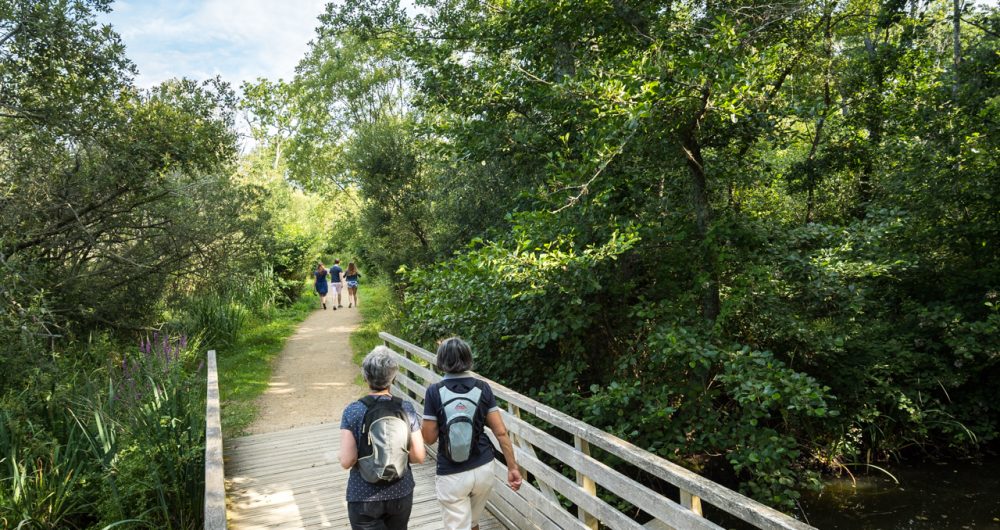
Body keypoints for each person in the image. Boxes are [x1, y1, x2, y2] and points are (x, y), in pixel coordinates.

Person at [422, 337, 522, 530]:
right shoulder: (483, 388)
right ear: (468, 359)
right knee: (473, 523)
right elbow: (500, 432)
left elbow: (429, 438)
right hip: (483, 468)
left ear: (441, 361)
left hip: (451, 474)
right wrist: (512, 468)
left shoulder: (435, 392)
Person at [340, 346, 426, 530]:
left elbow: (348, 461)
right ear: (393, 378)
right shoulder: (406, 408)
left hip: (364, 496)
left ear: (365, 376)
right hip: (400, 491)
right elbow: (419, 456)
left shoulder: (353, 411)